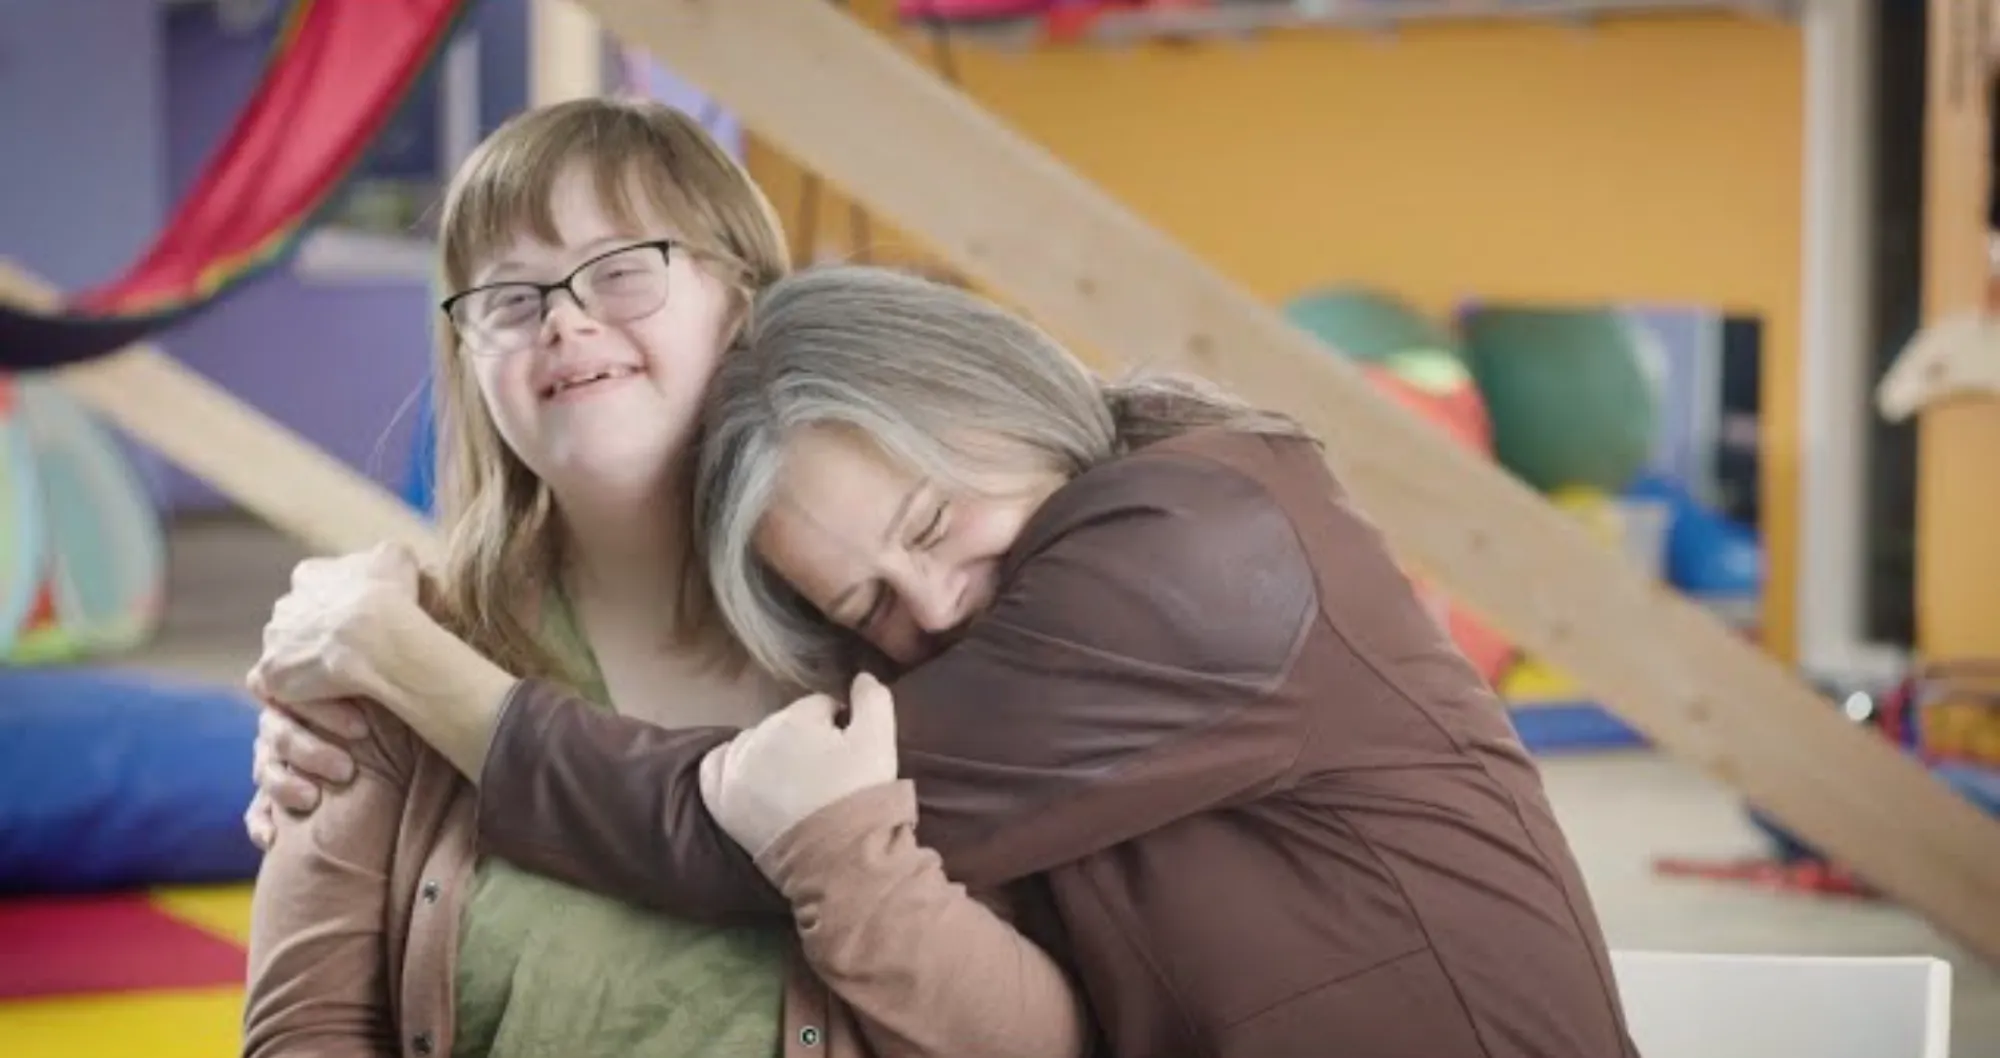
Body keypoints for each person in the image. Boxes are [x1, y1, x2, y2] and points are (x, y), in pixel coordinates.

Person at [253, 266, 1640, 1057]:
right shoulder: (1021, 644)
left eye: (932, 521)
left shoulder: (1197, 550)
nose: (933, 604)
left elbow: (719, 829)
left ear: (1000, 396)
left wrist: (398, 657)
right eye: (868, 598)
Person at [239, 101, 1088, 1058]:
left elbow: (1051, 1041)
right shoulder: (389, 650)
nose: (563, 319)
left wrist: (846, 859)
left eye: (620, 270)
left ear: (745, 299)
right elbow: (303, 1033)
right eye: (509, 299)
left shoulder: (914, 616)